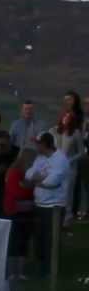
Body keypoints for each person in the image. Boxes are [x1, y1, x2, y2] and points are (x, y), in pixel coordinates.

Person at [25, 132, 70, 278]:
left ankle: (50, 270)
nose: (35, 146)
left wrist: (38, 180)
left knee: (51, 239)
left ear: (44, 144)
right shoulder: (40, 158)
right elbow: (28, 174)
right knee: (39, 238)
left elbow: (52, 182)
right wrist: (40, 178)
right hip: (39, 204)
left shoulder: (60, 159)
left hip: (54, 206)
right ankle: (40, 267)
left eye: (37, 143)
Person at [4, 148, 37, 279]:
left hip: (27, 213)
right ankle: (12, 272)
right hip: (14, 212)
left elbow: (31, 191)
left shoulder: (27, 175)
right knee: (14, 242)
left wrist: (27, 187)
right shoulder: (14, 173)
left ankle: (21, 272)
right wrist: (29, 187)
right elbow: (18, 192)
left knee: (23, 241)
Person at [53, 90, 84, 226]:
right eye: (64, 118)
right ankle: (58, 217)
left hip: (70, 167)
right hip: (58, 167)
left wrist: (70, 160)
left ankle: (67, 218)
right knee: (58, 192)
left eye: (68, 118)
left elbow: (81, 152)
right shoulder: (58, 132)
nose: (65, 119)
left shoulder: (76, 133)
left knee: (68, 193)